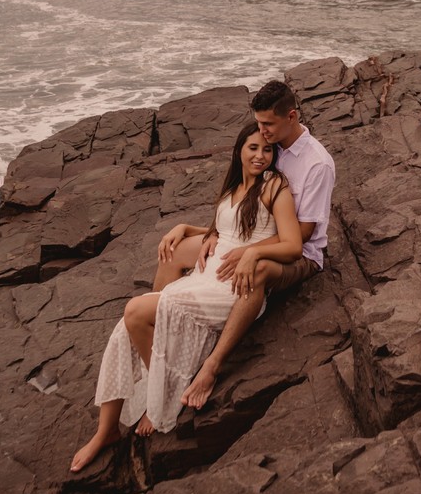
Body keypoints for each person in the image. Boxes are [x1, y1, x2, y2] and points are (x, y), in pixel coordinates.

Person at [70, 120, 304, 473]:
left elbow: (293, 244)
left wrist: (254, 253)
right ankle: (106, 432)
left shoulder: (275, 187)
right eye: (253, 148)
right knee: (125, 328)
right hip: (206, 274)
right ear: (239, 150)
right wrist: (185, 229)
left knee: (136, 311)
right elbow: (223, 229)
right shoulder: (234, 186)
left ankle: (158, 393)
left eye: (267, 149)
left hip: (231, 284)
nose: (260, 156)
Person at [158, 80, 336, 410]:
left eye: (268, 124)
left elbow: (306, 233)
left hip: (300, 255)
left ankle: (211, 366)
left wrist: (250, 250)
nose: (261, 131)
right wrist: (205, 231)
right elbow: (244, 207)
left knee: (256, 269)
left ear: (291, 116)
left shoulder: (317, 164)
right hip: (247, 237)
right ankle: (155, 329)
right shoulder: (271, 146)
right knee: (175, 248)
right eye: (259, 124)